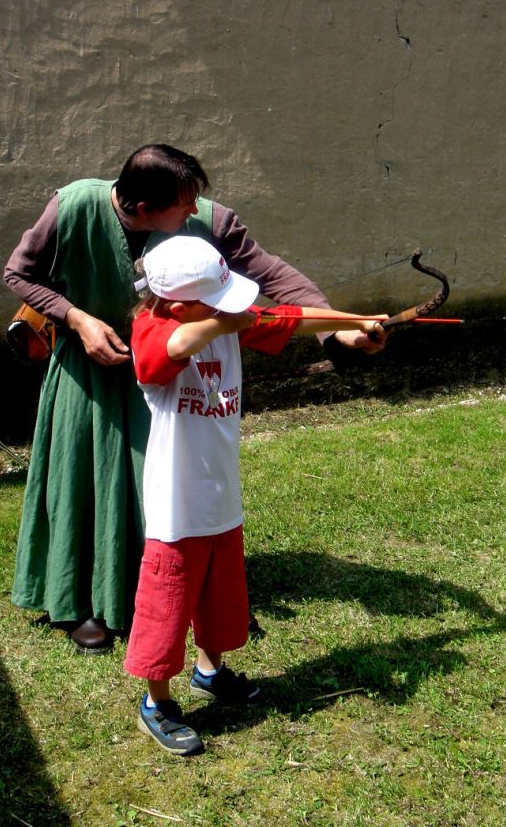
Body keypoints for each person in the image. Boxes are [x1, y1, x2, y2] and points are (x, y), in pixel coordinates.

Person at [4, 144, 384, 653]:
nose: (194, 212)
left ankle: (188, 603)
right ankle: (84, 602)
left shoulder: (206, 220)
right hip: (89, 371)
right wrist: (77, 319)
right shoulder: (72, 207)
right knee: (87, 484)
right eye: (182, 205)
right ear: (141, 210)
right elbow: (18, 274)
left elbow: (270, 276)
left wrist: (336, 331)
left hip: (174, 379)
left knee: (165, 495)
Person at [125, 235, 388, 755]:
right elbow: (164, 353)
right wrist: (226, 322)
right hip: (176, 508)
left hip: (221, 497)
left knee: (221, 597)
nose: (236, 309)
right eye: (219, 302)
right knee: (168, 604)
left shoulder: (226, 326)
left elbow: (292, 318)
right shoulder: (153, 328)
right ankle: (156, 702)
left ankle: (210, 670)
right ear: (180, 304)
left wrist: (353, 326)